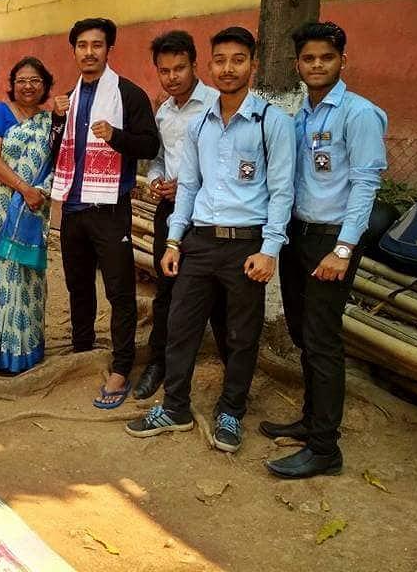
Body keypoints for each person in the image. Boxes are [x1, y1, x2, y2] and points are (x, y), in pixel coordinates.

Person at [126, 26, 296, 454]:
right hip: (199, 241)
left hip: (246, 246)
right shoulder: (200, 123)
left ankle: (231, 410)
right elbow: (188, 186)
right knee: (181, 325)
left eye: (238, 60)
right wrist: (174, 241)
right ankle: (175, 407)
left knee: (241, 333)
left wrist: (269, 250)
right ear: (210, 64)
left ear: (253, 64)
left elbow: (282, 192)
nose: (228, 69)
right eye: (220, 60)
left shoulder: (272, 122)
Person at [262, 22, 387, 479]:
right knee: (302, 333)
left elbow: (365, 184)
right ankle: (311, 420)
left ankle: (324, 448)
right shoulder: (301, 116)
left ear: (342, 61)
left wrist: (344, 249)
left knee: (322, 340)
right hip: (298, 234)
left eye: (326, 58)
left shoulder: (359, 114)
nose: (317, 65)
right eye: (309, 58)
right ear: (298, 64)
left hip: (331, 241)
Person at [51, 17, 159, 408]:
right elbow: (55, 152)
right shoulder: (68, 99)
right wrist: (56, 120)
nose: (89, 52)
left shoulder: (128, 95)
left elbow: (149, 146)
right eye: (82, 45)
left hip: (111, 207)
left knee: (119, 291)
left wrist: (116, 136)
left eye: (97, 45)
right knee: (78, 285)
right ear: (74, 51)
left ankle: (122, 366)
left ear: (109, 49)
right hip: (73, 206)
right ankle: (82, 350)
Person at [134, 31, 227, 400]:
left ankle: (231, 378)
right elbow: (159, 159)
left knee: (217, 293)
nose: (172, 77)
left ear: (195, 65)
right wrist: (157, 180)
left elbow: (227, 166)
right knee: (166, 289)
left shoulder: (217, 104)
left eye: (179, 68)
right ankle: (157, 363)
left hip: (209, 214)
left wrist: (190, 186)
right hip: (171, 212)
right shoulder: (165, 112)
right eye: (164, 70)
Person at [0, 57, 54, 373]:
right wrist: (24, 189)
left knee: (27, 276)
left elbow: (57, 163)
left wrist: (38, 191)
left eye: (35, 81)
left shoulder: (49, 122)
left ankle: (23, 350)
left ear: (45, 86)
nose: (28, 86)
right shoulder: (0, 113)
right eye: (21, 81)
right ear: (12, 85)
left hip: (33, 209)